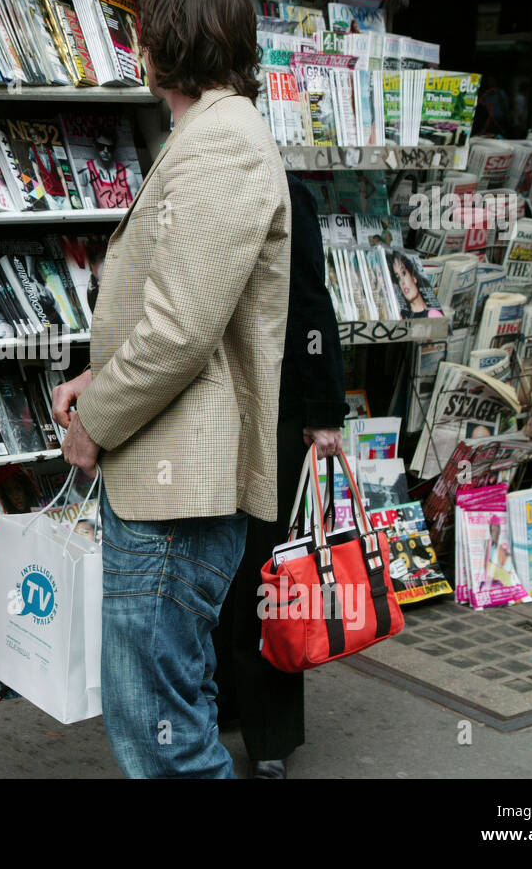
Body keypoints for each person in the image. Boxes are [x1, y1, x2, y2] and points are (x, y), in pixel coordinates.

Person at [51, 0, 291, 779]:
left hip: (176, 487)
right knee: (165, 713)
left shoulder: (223, 142)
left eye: (142, 30)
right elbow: (187, 317)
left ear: (164, 42)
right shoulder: (212, 134)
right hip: (169, 476)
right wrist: (102, 378)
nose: (136, 44)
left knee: (164, 735)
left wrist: (96, 422)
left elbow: (183, 331)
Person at [212, 175, 347, 779]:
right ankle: (229, 707)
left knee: (271, 571)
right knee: (221, 566)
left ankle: (269, 737)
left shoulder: (284, 192)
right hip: (211, 409)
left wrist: (323, 413)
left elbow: (310, 301)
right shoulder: (193, 177)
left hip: (275, 412)